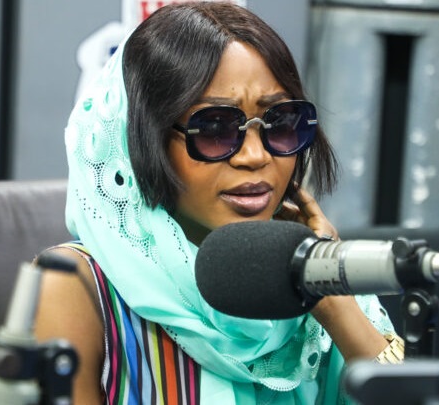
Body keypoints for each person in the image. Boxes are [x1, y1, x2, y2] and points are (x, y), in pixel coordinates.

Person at [35, 3, 402, 404]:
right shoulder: (76, 285)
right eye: (213, 128)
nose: (255, 156)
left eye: (280, 123)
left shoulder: (313, 273)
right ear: (143, 140)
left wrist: (329, 295)